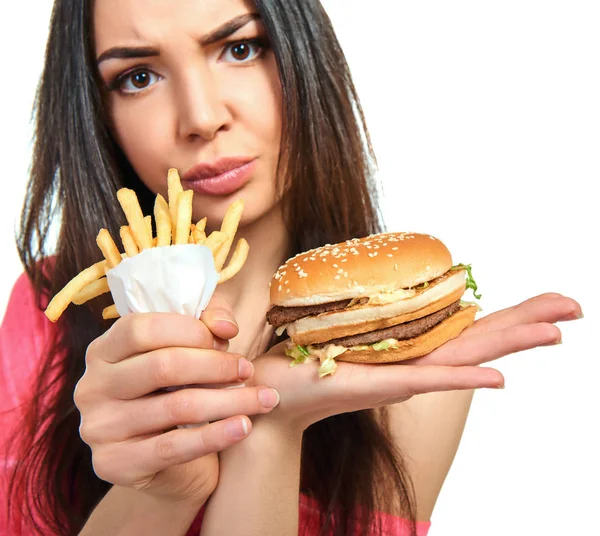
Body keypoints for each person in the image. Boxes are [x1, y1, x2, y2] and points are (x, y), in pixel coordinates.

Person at [0, 0, 582, 535]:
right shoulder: (43, 309)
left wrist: (271, 430)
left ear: (303, 49)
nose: (201, 117)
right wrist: (164, 489)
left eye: (240, 48)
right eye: (139, 77)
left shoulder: (410, 371)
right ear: (96, 111)